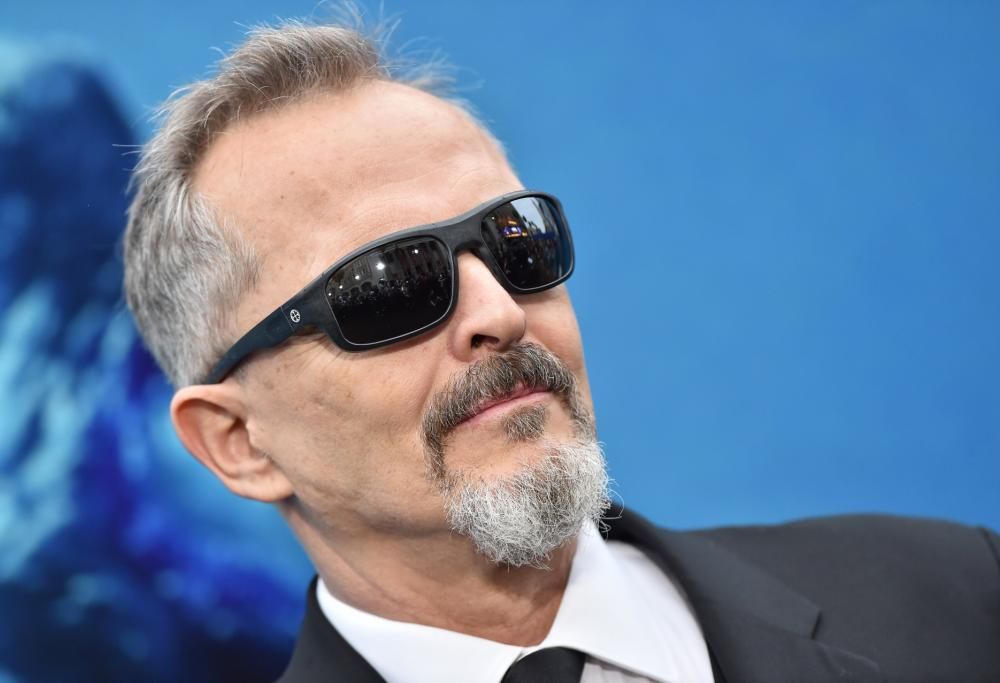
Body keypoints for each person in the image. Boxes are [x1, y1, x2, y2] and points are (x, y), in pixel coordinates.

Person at [122, 19, 1000, 683]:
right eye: (392, 286)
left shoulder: (956, 598)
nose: (499, 313)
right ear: (238, 442)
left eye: (517, 242)